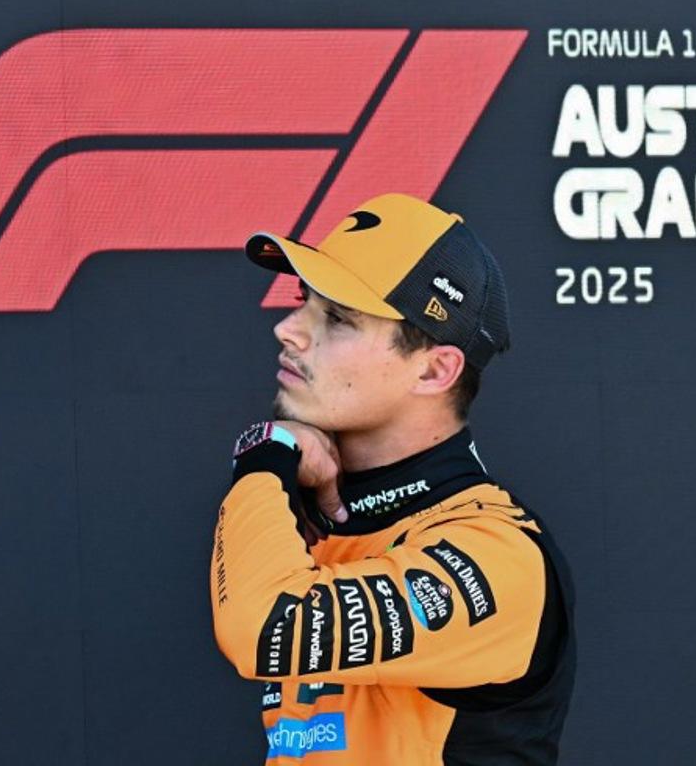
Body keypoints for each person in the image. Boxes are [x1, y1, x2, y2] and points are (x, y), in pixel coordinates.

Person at [211, 193, 575, 765]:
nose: (288, 329)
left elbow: (264, 625)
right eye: (303, 301)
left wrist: (265, 455)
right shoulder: (309, 517)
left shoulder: (498, 553)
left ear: (434, 369)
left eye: (336, 319)